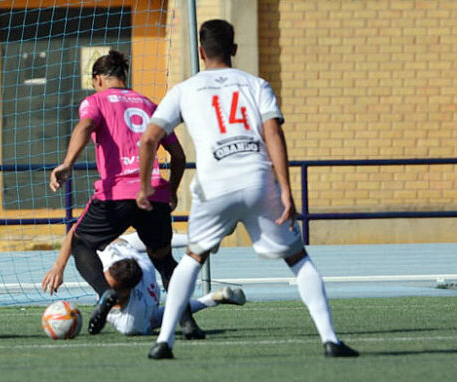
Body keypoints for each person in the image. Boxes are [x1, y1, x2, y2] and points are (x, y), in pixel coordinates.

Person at [137, 20, 359, 359]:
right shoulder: (257, 85)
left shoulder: (184, 89)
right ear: (234, 49)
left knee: (193, 258)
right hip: (258, 181)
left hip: (214, 186)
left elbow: (150, 138)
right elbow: (273, 134)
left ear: (200, 52)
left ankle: (164, 342)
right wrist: (286, 188)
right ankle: (330, 340)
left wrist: (144, 186)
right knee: (298, 258)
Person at [48, 50, 203, 338]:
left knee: (81, 243)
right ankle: (187, 322)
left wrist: (68, 163)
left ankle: (106, 293)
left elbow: (85, 125)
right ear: (124, 76)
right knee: (165, 260)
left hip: (116, 194)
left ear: (97, 79)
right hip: (153, 194)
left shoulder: (94, 101)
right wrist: (171, 189)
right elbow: (178, 154)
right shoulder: (150, 105)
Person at [43, 230, 246, 336]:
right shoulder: (116, 263)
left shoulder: (130, 322)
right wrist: (58, 267)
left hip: (147, 299)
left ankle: (210, 299)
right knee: (145, 241)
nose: (100, 282)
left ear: (125, 292)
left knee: (157, 318)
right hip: (130, 251)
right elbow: (80, 234)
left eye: (109, 287)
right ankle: (199, 238)